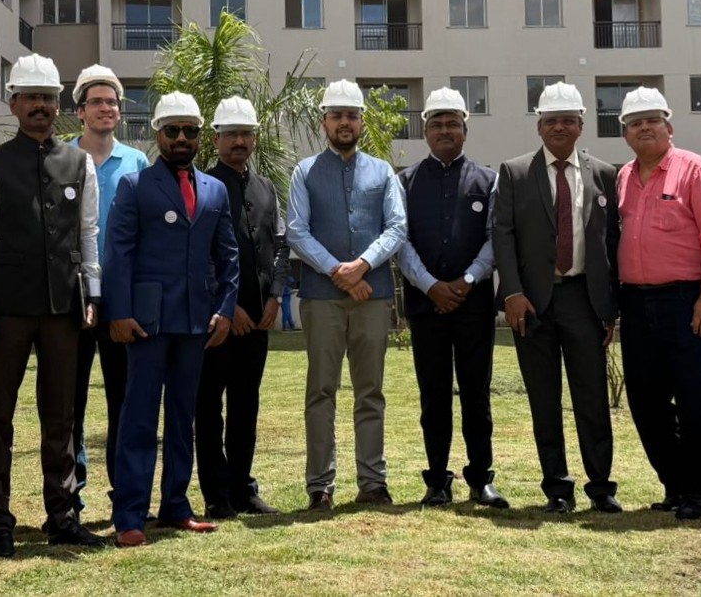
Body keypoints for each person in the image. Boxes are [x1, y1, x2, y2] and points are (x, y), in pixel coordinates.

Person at [0, 54, 107, 557]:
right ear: (14, 104)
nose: (40, 106)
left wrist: (93, 293)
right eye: (31, 98)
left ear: (58, 105)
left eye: (48, 98)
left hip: (63, 307)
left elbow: (88, 232)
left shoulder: (79, 162)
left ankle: (63, 516)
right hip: (5, 308)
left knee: (62, 414)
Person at [104, 92, 238, 547]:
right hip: (146, 322)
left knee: (184, 417)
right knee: (139, 417)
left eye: (190, 131)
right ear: (157, 133)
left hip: (196, 323)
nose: (181, 138)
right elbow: (117, 254)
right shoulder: (135, 186)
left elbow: (229, 257)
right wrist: (118, 312)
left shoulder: (215, 191)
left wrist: (224, 309)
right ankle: (130, 514)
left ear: (201, 136)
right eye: (172, 130)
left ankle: (176, 506)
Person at [493, 82, 621, 514]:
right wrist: (511, 292)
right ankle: (557, 489)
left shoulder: (605, 174)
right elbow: (503, 235)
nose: (560, 127)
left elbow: (612, 243)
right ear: (539, 126)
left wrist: (610, 307)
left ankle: (601, 487)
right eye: (552, 121)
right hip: (532, 305)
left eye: (568, 120)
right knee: (543, 400)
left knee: (592, 398)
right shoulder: (513, 173)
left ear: (582, 125)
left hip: (585, 301)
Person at [614, 86, 701, 521]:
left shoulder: (696, 170)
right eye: (635, 122)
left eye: (652, 120)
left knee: (697, 397)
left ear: (669, 127)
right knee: (646, 402)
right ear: (624, 133)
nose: (644, 127)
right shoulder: (624, 177)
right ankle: (676, 484)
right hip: (636, 302)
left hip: (688, 299)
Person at [287, 79, 407, 510]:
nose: (344, 121)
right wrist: (336, 269)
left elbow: (396, 227)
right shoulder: (305, 172)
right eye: (336, 115)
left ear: (361, 121)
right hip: (321, 298)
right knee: (321, 391)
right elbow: (297, 230)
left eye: (351, 115)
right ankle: (320, 485)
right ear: (324, 121)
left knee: (370, 390)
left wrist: (362, 266)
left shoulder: (382, 171)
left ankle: (373, 481)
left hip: (372, 297)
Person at [396, 88, 507, 509]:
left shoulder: (488, 179)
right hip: (427, 307)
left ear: (465, 128)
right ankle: (437, 481)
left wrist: (467, 279)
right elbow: (400, 240)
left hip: (473, 305)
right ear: (424, 130)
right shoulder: (404, 181)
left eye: (452, 123)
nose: (445, 130)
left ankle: (482, 479)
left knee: (476, 393)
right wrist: (431, 286)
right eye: (436, 123)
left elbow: (496, 238)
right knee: (434, 395)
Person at [196, 97, 288, 518]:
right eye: (231, 134)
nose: (239, 141)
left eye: (246, 134)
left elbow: (281, 246)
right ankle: (216, 494)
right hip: (217, 319)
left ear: (255, 138)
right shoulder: (201, 186)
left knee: (246, 404)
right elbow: (197, 254)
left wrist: (276, 297)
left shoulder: (266, 188)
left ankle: (242, 487)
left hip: (259, 317)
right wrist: (227, 307)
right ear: (215, 139)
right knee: (209, 405)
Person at [67, 64, 150, 518]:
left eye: (112, 102)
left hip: (121, 300)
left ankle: (127, 496)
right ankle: (71, 495)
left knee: (124, 399)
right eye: (96, 101)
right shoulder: (60, 158)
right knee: (71, 401)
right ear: (80, 111)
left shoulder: (137, 164)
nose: (105, 108)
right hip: (74, 300)